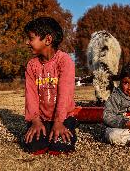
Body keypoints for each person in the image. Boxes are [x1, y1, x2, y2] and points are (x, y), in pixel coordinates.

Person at [23, 17, 77, 155]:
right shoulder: (31, 65)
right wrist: (35, 120)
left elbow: (65, 94)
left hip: (63, 117)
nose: (27, 42)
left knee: (60, 147)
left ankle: (65, 129)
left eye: (31, 38)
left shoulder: (64, 61)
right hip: (41, 118)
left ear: (48, 40)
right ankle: (42, 131)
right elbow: (31, 95)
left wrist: (59, 122)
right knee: (33, 146)